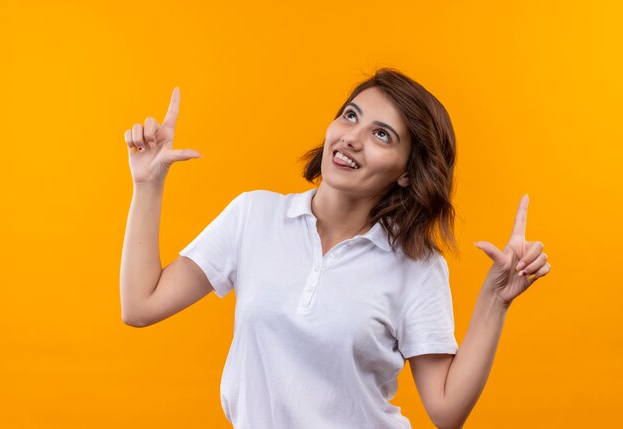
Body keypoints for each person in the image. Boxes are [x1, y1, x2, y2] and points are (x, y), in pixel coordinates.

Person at [120, 68, 551, 429]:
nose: (351, 138)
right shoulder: (254, 216)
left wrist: (496, 298)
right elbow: (140, 305)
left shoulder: (416, 266)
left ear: (405, 172)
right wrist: (147, 184)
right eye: (350, 116)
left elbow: (446, 410)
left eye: (381, 135)